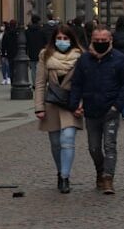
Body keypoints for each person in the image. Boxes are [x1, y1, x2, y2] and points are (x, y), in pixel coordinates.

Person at [68, 26, 124, 195]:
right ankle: (100, 169)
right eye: (97, 41)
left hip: (110, 109)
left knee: (110, 145)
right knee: (94, 148)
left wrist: (117, 106)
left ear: (110, 40)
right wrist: (74, 104)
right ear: (92, 40)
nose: (100, 43)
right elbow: (76, 83)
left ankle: (108, 178)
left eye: (104, 41)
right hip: (91, 110)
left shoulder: (119, 59)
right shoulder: (84, 60)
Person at [33, 24, 85, 194]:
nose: (62, 41)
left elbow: (86, 84)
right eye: (59, 38)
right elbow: (40, 83)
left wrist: (81, 105)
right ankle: (59, 170)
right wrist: (39, 107)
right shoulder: (45, 55)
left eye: (65, 38)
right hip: (53, 103)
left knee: (68, 139)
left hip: (72, 103)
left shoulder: (81, 56)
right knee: (55, 143)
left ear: (72, 39)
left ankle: (65, 176)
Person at [25, 15, 47, 87]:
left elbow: (26, 42)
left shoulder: (27, 31)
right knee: (40, 69)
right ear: (38, 21)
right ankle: (40, 83)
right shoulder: (42, 30)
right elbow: (45, 41)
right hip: (40, 52)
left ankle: (34, 84)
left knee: (33, 69)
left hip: (31, 52)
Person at [0, 20, 19, 85]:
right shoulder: (18, 33)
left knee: (11, 67)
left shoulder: (7, 33)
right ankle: (16, 80)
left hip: (9, 53)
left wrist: (3, 54)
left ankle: (12, 81)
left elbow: (3, 44)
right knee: (17, 67)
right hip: (17, 53)